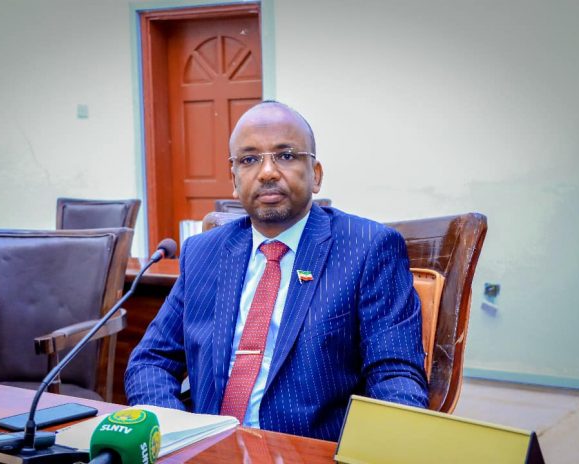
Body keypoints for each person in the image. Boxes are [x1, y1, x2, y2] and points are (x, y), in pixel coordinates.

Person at [125, 101, 428, 441]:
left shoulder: (367, 248)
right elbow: (150, 361)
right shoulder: (203, 252)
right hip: (207, 447)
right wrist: (177, 434)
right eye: (249, 159)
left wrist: (388, 447)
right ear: (234, 180)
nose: (267, 172)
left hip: (307, 451)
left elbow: (394, 374)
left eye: (285, 155)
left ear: (316, 175)